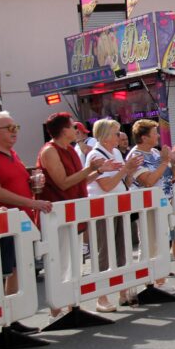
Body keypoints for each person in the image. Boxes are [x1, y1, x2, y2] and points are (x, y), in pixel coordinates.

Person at [0, 111, 52, 335]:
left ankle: (11, 320)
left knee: (15, 271)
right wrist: (31, 202)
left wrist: (33, 185)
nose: (15, 131)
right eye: (11, 128)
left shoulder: (11, 154)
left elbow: (13, 184)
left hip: (17, 224)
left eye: (15, 127)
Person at [38, 112, 120, 319]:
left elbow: (80, 181)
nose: (76, 131)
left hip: (74, 212)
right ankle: (56, 309)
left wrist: (99, 171)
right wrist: (91, 169)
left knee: (74, 261)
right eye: (73, 127)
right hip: (57, 214)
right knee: (60, 261)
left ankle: (72, 304)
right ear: (63, 130)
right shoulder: (50, 151)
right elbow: (63, 183)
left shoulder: (70, 150)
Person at [86, 119, 143, 312]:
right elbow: (106, 185)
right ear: (104, 135)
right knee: (105, 251)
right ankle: (102, 297)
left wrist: (130, 170)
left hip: (118, 204)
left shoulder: (116, 152)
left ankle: (122, 292)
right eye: (115, 133)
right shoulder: (96, 154)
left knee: (122, 249)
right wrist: (126, 170)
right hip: (102, 208)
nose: (119, 136)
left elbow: (122, 182)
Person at [128, 119, 175, 295]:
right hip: (147, 206)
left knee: (161, 241)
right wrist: (165, 161)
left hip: (163, 203)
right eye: (154, 133)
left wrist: (173, 161)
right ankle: (150, 282)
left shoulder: (154, 152)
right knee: (150, 243)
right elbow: (149, 181)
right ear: (143, 137)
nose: (158, 135)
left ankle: (160, 280)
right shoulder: (135, 156)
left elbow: (172, 176)